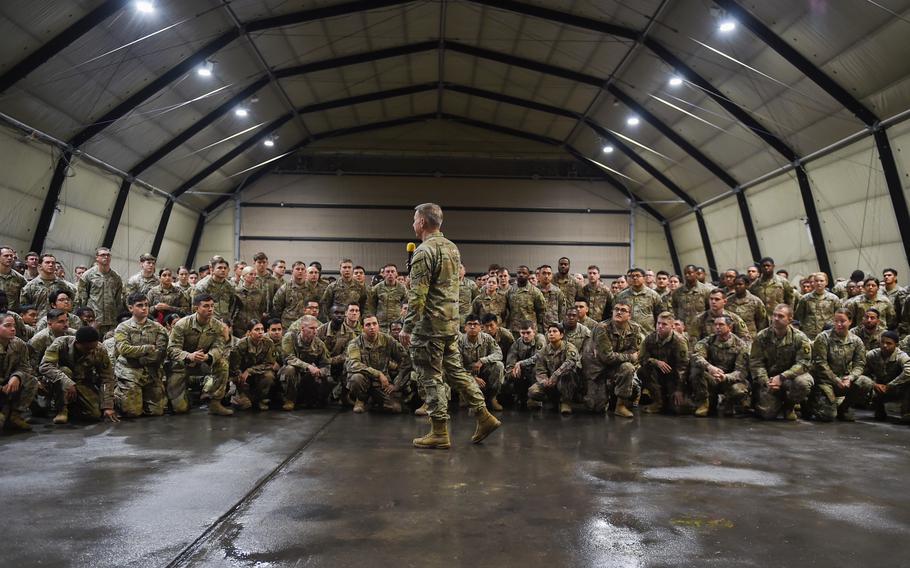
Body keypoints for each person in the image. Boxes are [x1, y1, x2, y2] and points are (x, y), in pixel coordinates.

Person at [399, 203, 500, 449]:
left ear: (422, 222)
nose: (413, 224)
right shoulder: (452, 248)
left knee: (430, 376)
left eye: (414, 219)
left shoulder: (424, 251)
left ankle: (439, 431)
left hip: (429, 328)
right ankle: (484, 415)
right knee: (456, 371)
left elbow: (418, 295)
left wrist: (407, 327)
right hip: (449, 324)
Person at [166, 293, 233, 416]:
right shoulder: (182, 324)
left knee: (223, 364)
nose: (210, 309)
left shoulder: (217, 326)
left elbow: (219, 347)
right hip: (182, 364)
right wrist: (188, 355)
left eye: (212, 306)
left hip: (204, 362)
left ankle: (215, 403)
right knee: (180, 409)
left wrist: (209, 356)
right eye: (206, 306)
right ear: (196, 308)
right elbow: (172, 349)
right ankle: (185, 397)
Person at [40, 326, 117, 424]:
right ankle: (62, 409)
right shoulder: (60, 344)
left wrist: (107, 406)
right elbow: (45, 366)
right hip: (59, 382)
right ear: (77, 343)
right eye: (87, 348)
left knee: (94, 414)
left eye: (93, 348)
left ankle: (72, 406)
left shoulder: (99, 349)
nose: (90, 351)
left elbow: (107, 377)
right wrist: (68, 382)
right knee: (65, 370)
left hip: (82, 381)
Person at [806, 308, 872, 422]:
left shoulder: (856, 341)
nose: (839, 324)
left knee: (866, 382)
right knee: (827, 416)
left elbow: (860, 364)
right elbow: (821, 363)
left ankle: (844, 408)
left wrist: (850, 378)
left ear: (850, 321)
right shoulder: (823, 338)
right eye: (836, 321)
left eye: (842, 321)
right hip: (825, 381)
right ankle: (811, 404)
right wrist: (835, 380)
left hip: (844, 379)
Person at [750, 304, 813, 421]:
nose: (776, 318)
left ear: (790, 319)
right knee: (766, 414)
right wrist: (765, 381)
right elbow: (756, 362)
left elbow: (804, 363)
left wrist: (782, 377)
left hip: (790, 378)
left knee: (803, 383)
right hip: (769, 379)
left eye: (780, 316)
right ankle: (776, 401)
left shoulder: (800, 337)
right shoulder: (762, 336)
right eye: (774, 315)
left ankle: (789, 406)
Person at [582, 301, 643, 418]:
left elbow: (635, 351)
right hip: (597, 370)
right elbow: (607, 357)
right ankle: (595, 391)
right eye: (616, 309)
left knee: (628, 368)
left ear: (629, 315)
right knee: (596, 408)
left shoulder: (635, 328)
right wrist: (629, 356)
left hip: (616, 366)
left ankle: (620, 406)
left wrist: (626, 356)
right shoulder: (602, 328)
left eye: (623, 310)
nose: (619, 312)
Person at [112, 293, 168, 418]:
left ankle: (139, 396)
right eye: (140, 305)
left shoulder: (158, 328)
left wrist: (140, 356)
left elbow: (160, 352)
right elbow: (124, 350)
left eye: (146, 305)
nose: (144, 308)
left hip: (151, 371)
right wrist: (147, 348)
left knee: (157, 412)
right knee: (132, 412)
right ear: (131, 308)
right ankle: (117, 393)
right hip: (130, 371)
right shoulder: (123, 328)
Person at [345, 314, 411, 414]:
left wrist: (397, 384)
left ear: (378, 326)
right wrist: (378, 374)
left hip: (381, 384)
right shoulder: (355, 343)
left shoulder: (387, 340)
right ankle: (360, 399)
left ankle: (373, 403)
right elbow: (354, 364)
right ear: (362, 328)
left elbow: (405, 360)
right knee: (356, 378)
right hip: (365, 380)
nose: (372, 327)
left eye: (374, 324)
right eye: (368, 325)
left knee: (396, 408)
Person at [691, 315, 750, 417]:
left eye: (721, 325)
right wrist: (709, 367)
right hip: (713, 377)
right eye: (715, 325)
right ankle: (704, 402)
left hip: (729, 381)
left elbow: (741, 372)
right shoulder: (708, 340)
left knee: (739, 390)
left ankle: (728, 403)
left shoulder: (741, 345)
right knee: (696, 370)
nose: (717, 327)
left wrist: (725, 377)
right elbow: (696, 355)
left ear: (730, 327)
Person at [638, 312, 691, 415]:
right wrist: (656, 362)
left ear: (672, 326)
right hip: (657, 375)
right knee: (642, 371)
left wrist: (679, 390)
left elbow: (683, 367)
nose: (660, 326)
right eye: (658, 323)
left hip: (674, 376)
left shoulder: (679, 341)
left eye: (664, 324)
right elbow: (641, 358)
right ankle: (658, 401)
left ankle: (673, 398)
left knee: (677, 410)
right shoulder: (650, 338)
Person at [279, 315, 331, 410]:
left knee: (328, 379)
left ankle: (313, 399)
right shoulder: (290, 337)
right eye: (311, 328)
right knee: (289, 369)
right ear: (302, 328)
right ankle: (289, 400)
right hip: (293, 373)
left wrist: (320, 371)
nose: (315, 331)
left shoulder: (319, 344)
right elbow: (289, 358)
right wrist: (308, 366)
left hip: (308, 377)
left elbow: (326, 365)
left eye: (316, 328)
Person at [527, 322, 581, 414]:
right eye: (549, 331)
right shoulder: (544, 350)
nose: (551, 334)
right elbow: (540, 369)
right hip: (550, 382)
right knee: (533, 391)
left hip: (565, 382)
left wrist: (555, 375)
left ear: (561, 335)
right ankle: (552, 400)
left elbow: (570, 362)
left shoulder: (569, 347)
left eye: (555, 331)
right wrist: (545, 381)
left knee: (567, 374)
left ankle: (565, 402)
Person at [458, 316, 505, 411]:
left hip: (483, 370)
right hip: (467, 373)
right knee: (467, 407)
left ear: (480, 327)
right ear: (465, 328)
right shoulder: (459, 341)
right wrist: (473, 377)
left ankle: (492, 398)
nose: (472, 327)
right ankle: (465, 396)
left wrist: (483, 360)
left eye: (475, 324)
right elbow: (457, 365)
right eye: (469, 324)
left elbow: (499, 354)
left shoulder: (487, 338)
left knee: (499, 366)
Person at [0, 310, 37, 432]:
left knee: (31, 380)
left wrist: (17, 376)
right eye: (7, 326)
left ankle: (15, 415)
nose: (12, 329)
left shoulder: (18, 343)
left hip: (8, 383)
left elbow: (25, 367)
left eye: (14, 326)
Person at [229, 319, 276, 411]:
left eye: (262, 329)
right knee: (246, 405)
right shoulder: (241, 345)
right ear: (249, 332)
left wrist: (250, 370)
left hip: (257, 373)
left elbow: (270, 363)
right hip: (242, 376)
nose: (260, 332)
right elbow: (234, 366)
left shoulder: (268, 343)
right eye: (257, 329)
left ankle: (260, 399)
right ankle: (238, 395)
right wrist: (240, 375)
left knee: (269, 376)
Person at [867, 331, 910, 423]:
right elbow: (862, 372)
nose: (884, 345)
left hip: (897, 388)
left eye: (889, 343)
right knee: (861, 381)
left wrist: (890, 385)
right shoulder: (872, 355)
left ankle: (906, 412)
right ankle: (877, 407)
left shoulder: (902, 356)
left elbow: (908, 372)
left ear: (896, 345)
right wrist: (873, 384)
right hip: (878, 388)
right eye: (882, 342)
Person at [504, 320, 545, 409]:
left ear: (534, 332)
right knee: (509, 376)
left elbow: (539, 357)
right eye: (523, 333)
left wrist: (521, 363)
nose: (525, 336)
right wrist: (512, 370)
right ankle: (519, 395)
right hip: (524, 372)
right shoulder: (517, 343)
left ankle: (535, 398)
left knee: (537, 367)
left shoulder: (540, 339)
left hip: (538, 371)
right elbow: (510, 360)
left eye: (528, 333)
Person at [20, 252, 75, 318]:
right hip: (37, 321)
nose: (51, 265)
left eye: (53, 263)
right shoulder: (30, 286)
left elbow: (72, 303)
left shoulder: (63, 285)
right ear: (40, 266)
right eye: (47, 262)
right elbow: (24, 307)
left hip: (58, 321)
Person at [793, 272, 840, 339]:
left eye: (821, 281)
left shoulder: (833, 298)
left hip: (828, 333)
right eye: (816, 281)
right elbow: (799, 315)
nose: (819, 283)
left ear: (826, 282)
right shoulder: (805, 299)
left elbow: (838, 315)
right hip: (810, 334)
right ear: (813, 283)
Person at [616, 267, 662, 333]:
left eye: (637, 276)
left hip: (647, 334)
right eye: (632, 276)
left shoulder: (653, 295)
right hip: (627, 333)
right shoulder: (622, 295)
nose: (634, 278)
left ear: (644, 278)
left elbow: (659, 315)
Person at [193, 256, 237, 324]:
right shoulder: (203, 286)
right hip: (207, 323)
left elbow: (232, 305)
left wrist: (229, 321)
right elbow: (195, 307)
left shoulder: (230, 286)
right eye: (219, 268)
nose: (223, 270)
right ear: (212, 269)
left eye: (225, 268)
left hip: (225, 323)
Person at [367, 263, 407, 332]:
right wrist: (373, 320)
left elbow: (407, 304)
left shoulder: (402, 288)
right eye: (387, 272)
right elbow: (371, 305)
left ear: (396, 274)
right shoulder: (377, 288)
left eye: (392, 271)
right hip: (381, 324)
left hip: (396, 325)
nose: (390, 274)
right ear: (384, 274)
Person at [671, 264, 710, 333]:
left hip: (700, 328)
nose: (687, 275)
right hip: (683, 329)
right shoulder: (677, 292)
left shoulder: (705, 290)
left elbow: (709, 308)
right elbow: (675, 308)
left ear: (696, 273)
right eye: (685, 273)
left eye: (690, 273)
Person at [234, 266, 267, 336]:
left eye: (255, 274)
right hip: (239, 326)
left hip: (254, 326)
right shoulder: (236, 292)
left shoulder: (259, 292)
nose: (254, 276)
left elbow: (261, 308)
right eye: (251, 274)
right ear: (244, 276)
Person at [0, 245, 27, 311]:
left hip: (10, 314)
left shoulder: (19, 278)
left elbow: (26, 296)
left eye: (11, 256)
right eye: (6, 256)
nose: (9, 258)